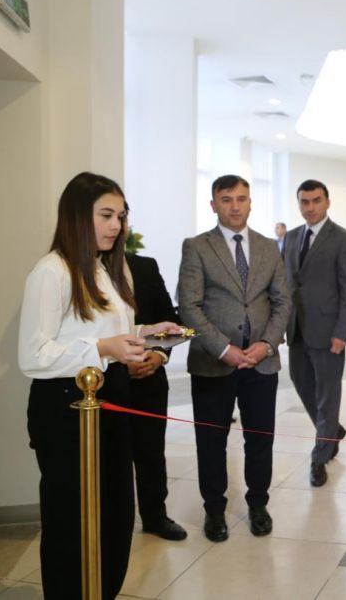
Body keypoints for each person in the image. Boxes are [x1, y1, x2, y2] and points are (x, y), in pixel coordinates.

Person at [18, 172, 181, 599]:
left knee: (114, 517)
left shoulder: (102, 268)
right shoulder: (51, 271)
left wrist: (147, 332)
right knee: (72, 524)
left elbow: (99, 331)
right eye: (106, 215)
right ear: (76, 215)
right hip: (67, 409)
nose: (116, 226)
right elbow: (34, 355)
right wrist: (104, 348)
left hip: (109, 403)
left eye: (121, 216)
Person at [177, 174, 290, 541]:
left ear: (251, 202)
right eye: (226, 199)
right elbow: (189, 307)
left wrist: (267, 344)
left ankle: (258, 504)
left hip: (261, 362)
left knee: (260, 439)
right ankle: (214, 510)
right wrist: (225, 349)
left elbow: (282, 302)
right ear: (214, 205)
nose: (235, 206)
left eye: (241, 198)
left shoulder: (268, 247)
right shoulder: (197, 247)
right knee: (211, 441)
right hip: (213, 363)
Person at [284, 179, 346, 487]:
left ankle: (320, 457)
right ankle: (332, 431)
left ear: (327, 202)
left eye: (316, 200)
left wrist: (343, 332)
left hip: (329, 332)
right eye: (305, 201)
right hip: (296, 329)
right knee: (301, 383)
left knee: (328, 396)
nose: (310, 207)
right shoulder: (291, 237)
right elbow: (286, 285)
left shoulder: (343, 238)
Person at [124, 209, 187, 541]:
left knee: (150, 452)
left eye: (121, 218)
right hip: (109, 382)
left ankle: (155, 516)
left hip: (149, 379)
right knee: (113, 457)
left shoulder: (144, 267)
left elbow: (171, 321)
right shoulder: (83, 272)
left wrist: (158, 355)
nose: (116, 225)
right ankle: (115, 520)